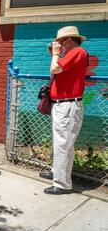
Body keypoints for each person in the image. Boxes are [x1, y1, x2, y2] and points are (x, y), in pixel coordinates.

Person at [40, 26, 88, 195]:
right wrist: (57, 55)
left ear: (68, 40)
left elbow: (55, 69)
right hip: (62, 104)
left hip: (67, 105)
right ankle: (57, 172)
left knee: (63, 143)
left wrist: (55, 55)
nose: (58, 45)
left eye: (59, 42)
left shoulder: (78, 52)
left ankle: (62, 184)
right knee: (60, 142)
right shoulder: (70, 55)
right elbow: (59, 69)